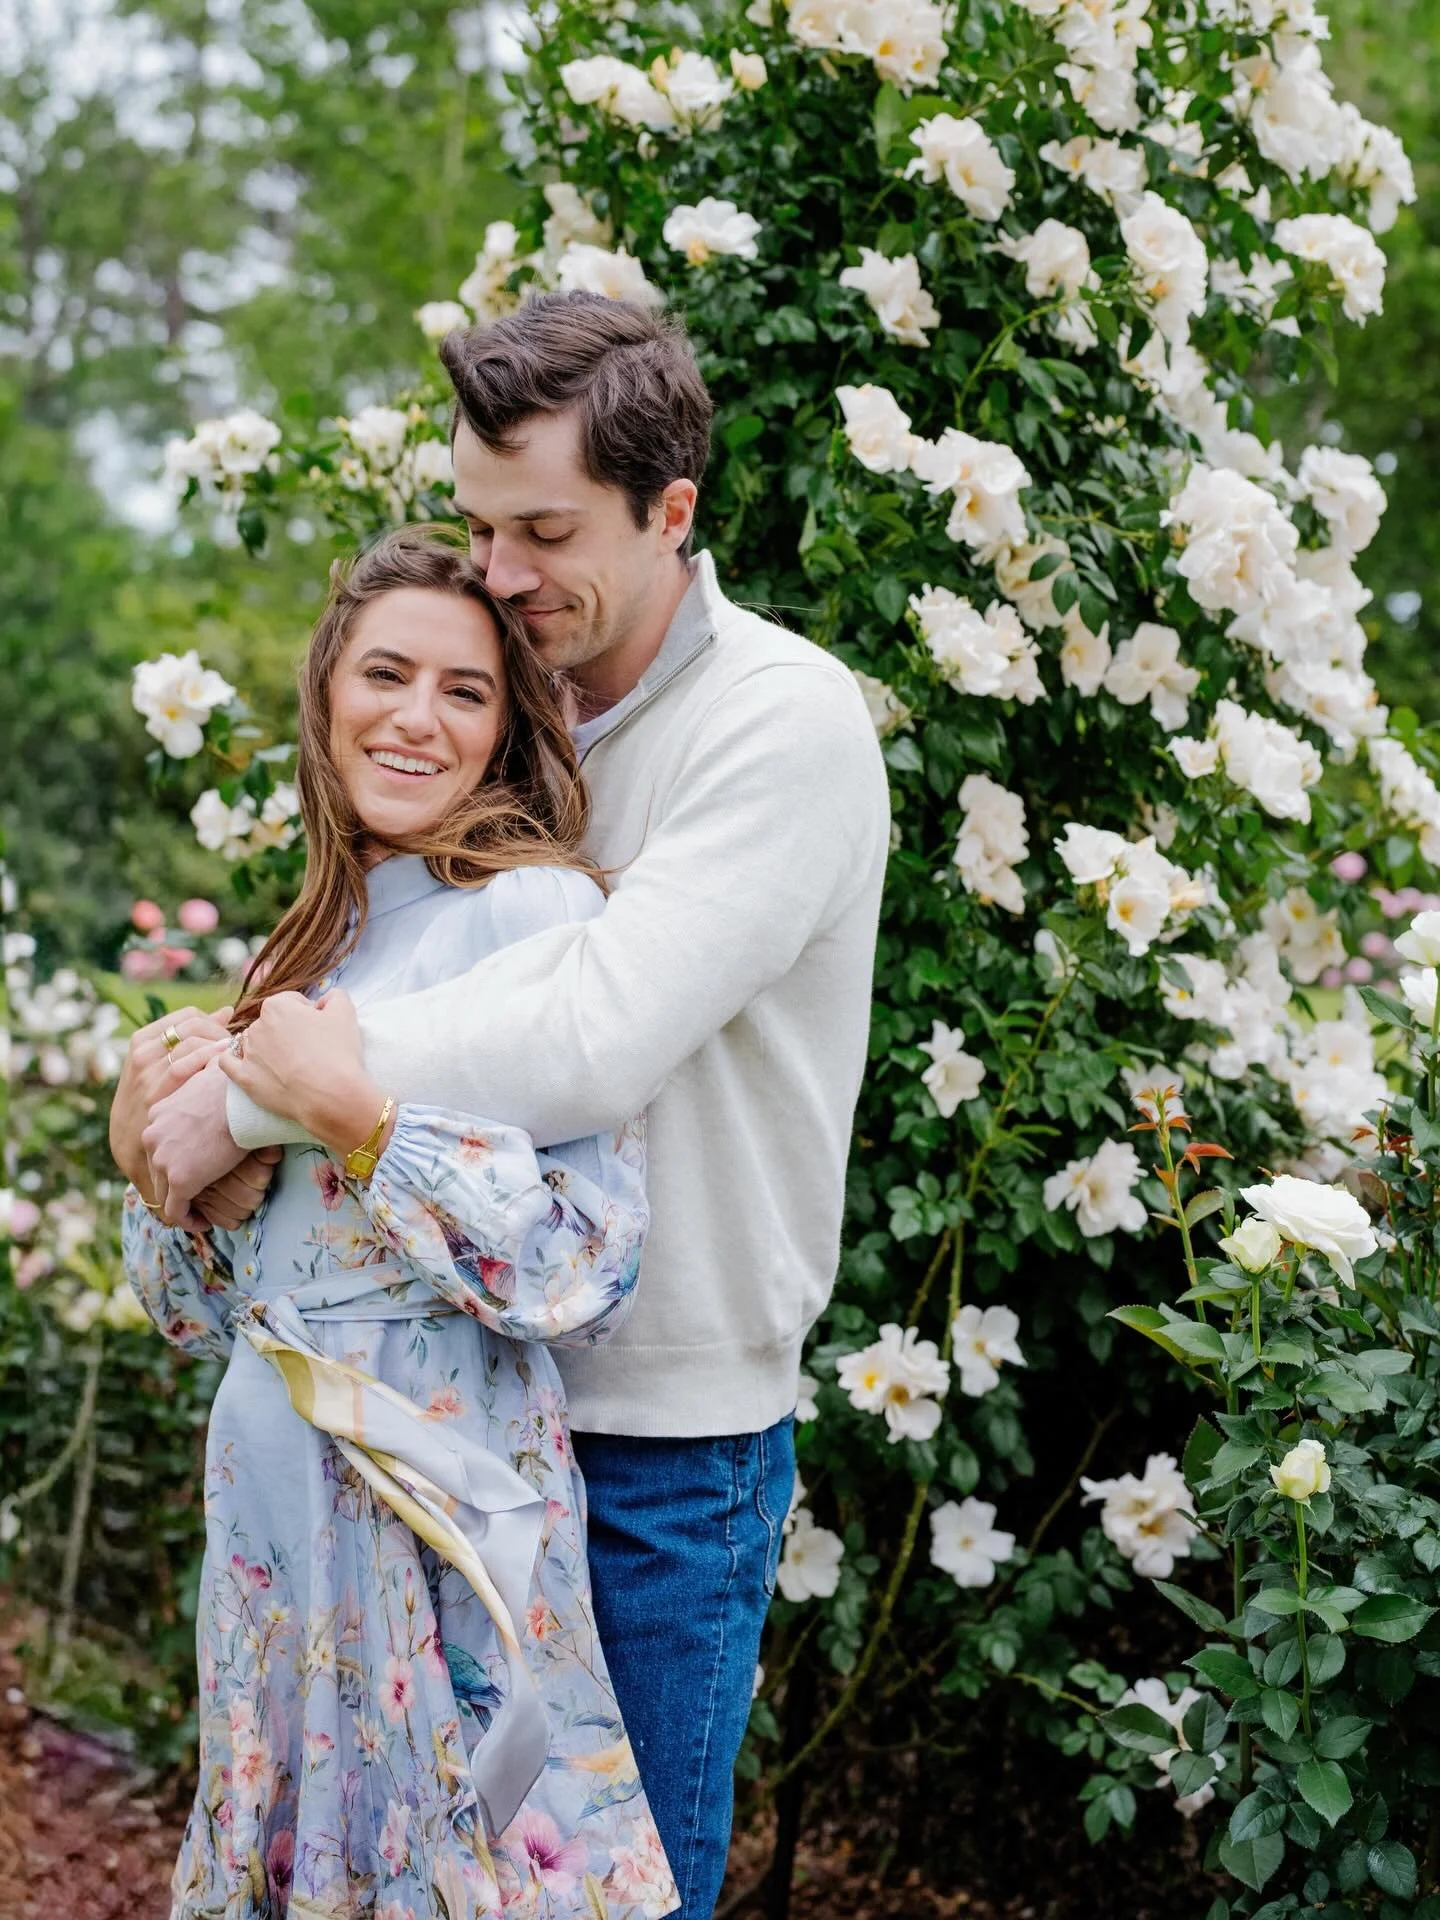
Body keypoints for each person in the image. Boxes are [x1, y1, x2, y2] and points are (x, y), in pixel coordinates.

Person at [135, 291, 892, 1918]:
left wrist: (260, 1091)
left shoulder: (778, 720)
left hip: (658, 1441)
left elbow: (592, 1032)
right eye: (480, 526)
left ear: (670, 512)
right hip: (420, 1423)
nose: (501, 572)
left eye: (543, 532)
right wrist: (183, 1127)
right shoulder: (507, 714)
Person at [113, 526, 679, 1919]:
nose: (417, 717)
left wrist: (360, 1123)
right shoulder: (306, 949)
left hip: (435, 1493)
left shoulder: (529, 914)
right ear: (326, 693)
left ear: (505, 732)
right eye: (385, 674)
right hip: (272, 1500)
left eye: (464, 691)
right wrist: (157, 1172)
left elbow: (581, 1262)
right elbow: (202, 1313)